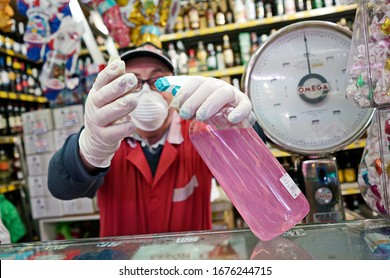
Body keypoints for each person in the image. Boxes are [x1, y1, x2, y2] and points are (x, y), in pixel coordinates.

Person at [48, 43, 265, 237]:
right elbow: (61, 188)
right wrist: (89, 151)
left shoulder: (199, 130)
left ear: (176, 86)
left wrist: (240, 124)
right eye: (133, 81)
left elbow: (254, 171)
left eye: (156, 81)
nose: (145, 91)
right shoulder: (106, 137)